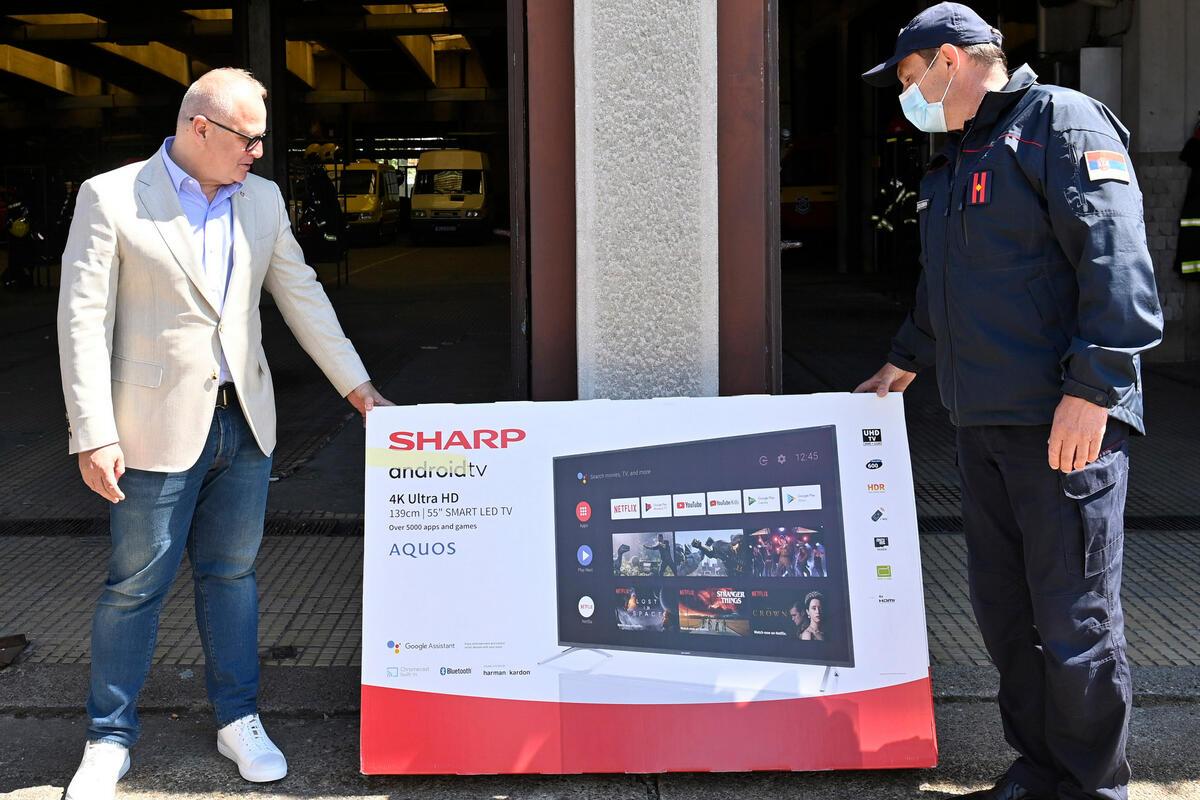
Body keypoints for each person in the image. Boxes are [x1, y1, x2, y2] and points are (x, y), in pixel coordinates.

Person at [57, 67, 393, 799]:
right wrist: (93, 431)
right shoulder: (111, 196)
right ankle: (108, 738)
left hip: (246, 423)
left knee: (232, 575)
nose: (259, 153)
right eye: (249, 138)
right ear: (200, 128)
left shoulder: (261, 199)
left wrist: (356, 386)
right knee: (134, 586)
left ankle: (238, 719)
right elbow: (82, 321)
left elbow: (301, 293)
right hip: (150, 428)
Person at [857, 4, 1163, 799]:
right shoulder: (958, 157)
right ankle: (1039, 767)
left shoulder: (1060, 124)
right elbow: (948, 285)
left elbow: (1117, 262)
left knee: (1073, 619)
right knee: (1006, 615)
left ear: (949, 59)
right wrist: (903, 362)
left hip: (1061, 422)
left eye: (908, 77)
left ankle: (1092, 785)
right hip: (982, 422)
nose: (908, 97)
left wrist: (1094, 390)